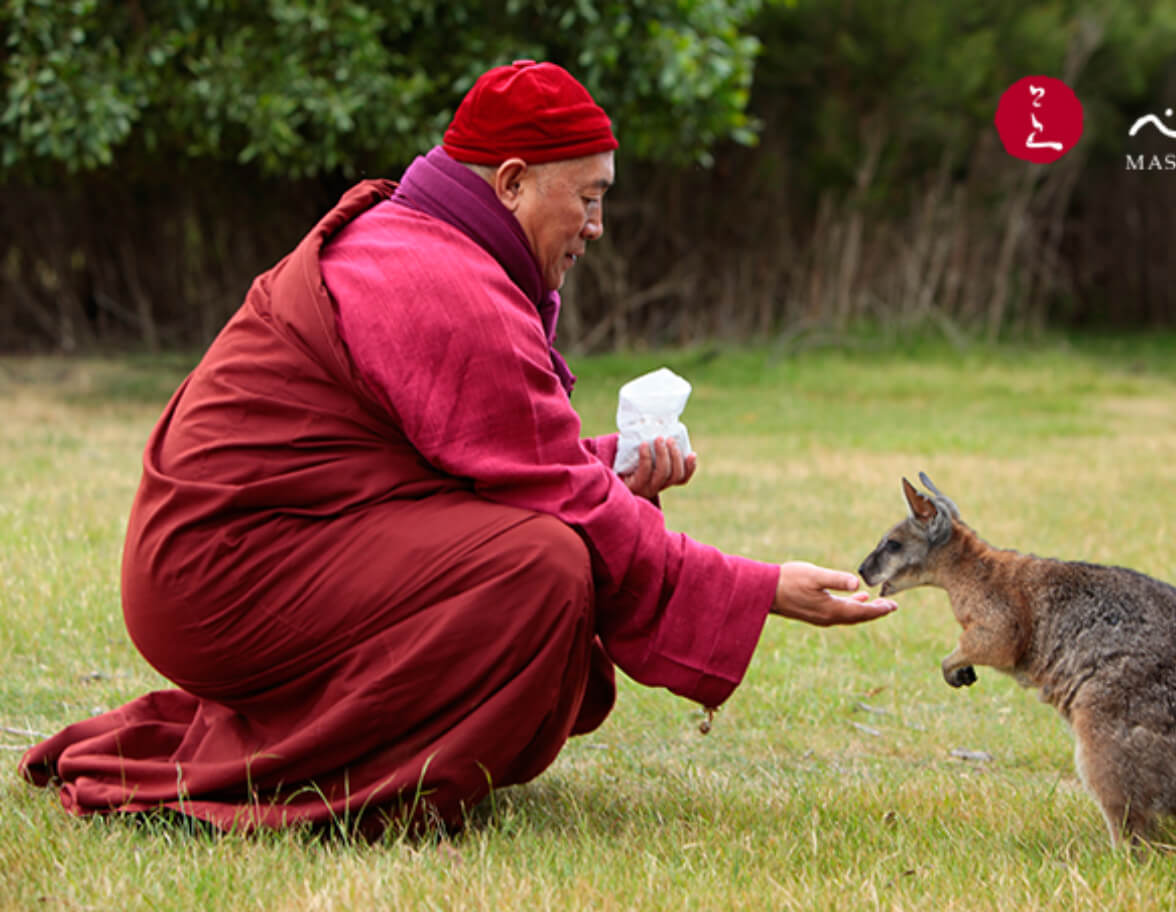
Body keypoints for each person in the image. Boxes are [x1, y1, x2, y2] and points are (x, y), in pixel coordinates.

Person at [20, 60, 896, 835]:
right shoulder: (436, 282)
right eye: (588, 198)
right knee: (542, 563)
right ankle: (355, 792)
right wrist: (759, 590)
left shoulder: (429, 247)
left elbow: (498, 458)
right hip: (220, 576)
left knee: (542, 542)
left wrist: (617, 468)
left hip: (237, 555)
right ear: (511, 182)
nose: (597, 226)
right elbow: (553, 497)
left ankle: (326, 757)